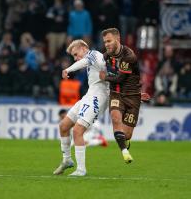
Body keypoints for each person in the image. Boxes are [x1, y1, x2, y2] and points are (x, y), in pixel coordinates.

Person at [53, 39, 109, 176]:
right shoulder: (92, 60)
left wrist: (68, 69)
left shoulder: (94, 54)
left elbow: (84, 61)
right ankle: (67, 160)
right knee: (64, 126)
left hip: (98, 97)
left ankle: (81, 169)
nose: (76, 58)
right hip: (89, 95)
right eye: (74, 56)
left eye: (76, 54)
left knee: (78, 130)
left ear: (84, 48)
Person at [99, 28, 150, 164]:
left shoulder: (129, 55)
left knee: (127, 134)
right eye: (105, 42)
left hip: (132, 97)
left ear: (118, 39)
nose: (107, 44)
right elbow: (93, 61)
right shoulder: (106, 55)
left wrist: (105, 77)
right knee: (116, 119)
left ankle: (125, 142)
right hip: (116, 94)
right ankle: (125, 153)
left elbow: (120, 78)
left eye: (109, 41)